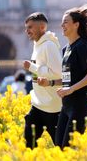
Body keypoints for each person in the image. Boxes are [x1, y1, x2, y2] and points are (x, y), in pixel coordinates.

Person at [38, 1, 87, 149]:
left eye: (65, 22)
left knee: (68, 149)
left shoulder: (83, 45)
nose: (62, 26)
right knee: (59, 147)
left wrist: (71, 89)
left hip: (80, 106)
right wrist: (50, 83)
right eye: (61, 23)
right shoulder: (66, 49)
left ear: (76, 25)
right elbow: (68, 79)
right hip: (66, 105)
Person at [23, 12, 62, 148]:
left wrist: (32, 67)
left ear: (42, 27)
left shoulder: (48, 46)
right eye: (26, 27)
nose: (27, 31)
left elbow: (57, 73)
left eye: (30, 27)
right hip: (38, 105)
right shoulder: (38, 44)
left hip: (52, 108)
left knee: (62, 148)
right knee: (29, 143)